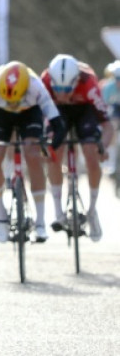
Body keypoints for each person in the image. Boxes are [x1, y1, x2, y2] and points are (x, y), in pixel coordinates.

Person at [0, 61, 66, 243]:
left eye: (15, 100)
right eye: (10, 101)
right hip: (1, 115)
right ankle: (1, 214)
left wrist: (51, 148)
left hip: (29, 113)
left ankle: (40, 221)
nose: (13, 104)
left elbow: (58, 125)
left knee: (33, 153)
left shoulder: (36, 86)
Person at [40, 54, 113, 241]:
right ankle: (58, 211)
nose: (62, 94)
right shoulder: (45, 81)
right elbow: (38, 116)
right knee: (54, 152)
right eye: (57, 88)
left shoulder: (89, 84)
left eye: (66, 89)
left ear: (76, 81)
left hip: (84, 111)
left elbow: (107, 124)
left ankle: (92, 210)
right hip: (58, 113)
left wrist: (103, 147)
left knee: (91, 153)